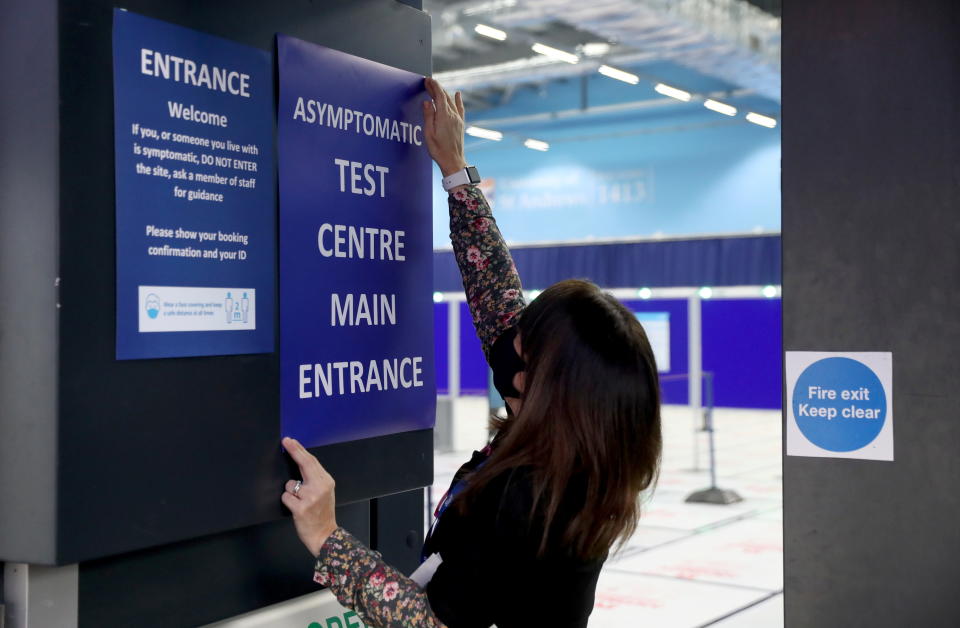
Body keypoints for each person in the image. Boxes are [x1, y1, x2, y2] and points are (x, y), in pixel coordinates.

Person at [280, 77, 662, 628]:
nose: (510, 338)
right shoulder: (589, 443)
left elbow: (432, 623)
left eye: (525, 344)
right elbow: (497, 296)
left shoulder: (528, 498)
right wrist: (457, 173)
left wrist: (325, 535)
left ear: (537, 383)